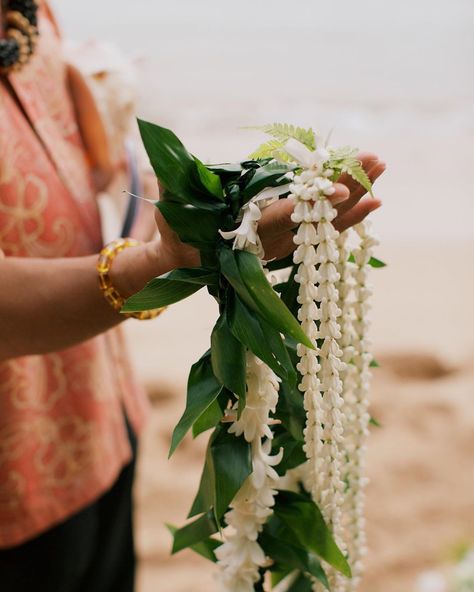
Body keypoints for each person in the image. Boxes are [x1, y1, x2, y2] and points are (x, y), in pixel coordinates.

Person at [0, 1, 385, 591]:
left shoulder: (25, 14)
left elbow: (91, 167)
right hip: (15, 474)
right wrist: (158, 262)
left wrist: (181, 192)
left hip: (101, 415)